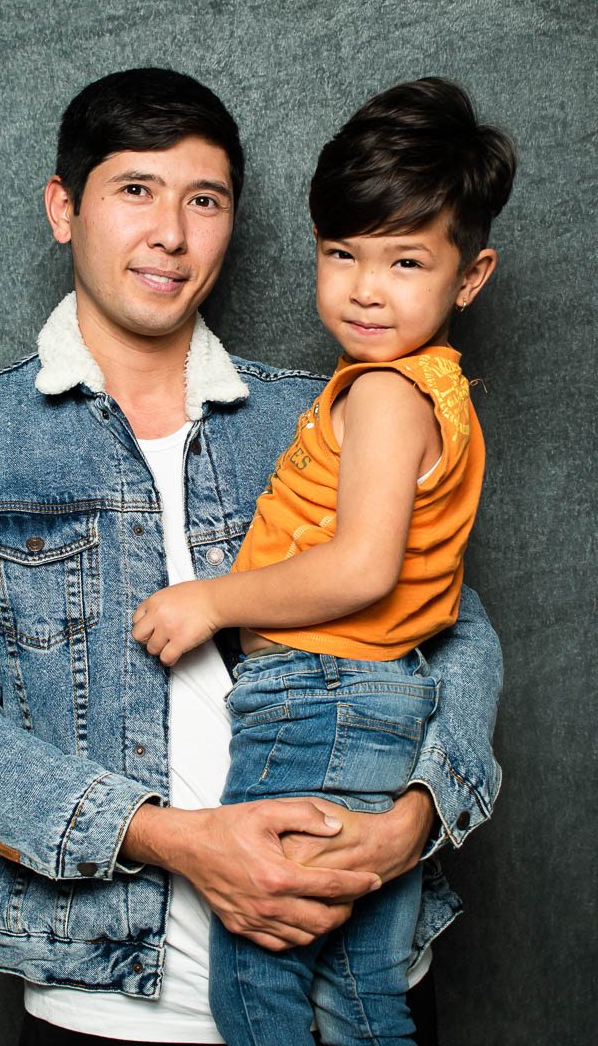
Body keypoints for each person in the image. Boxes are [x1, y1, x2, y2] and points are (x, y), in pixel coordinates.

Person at [0, 68, 504, 1046]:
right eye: (135, 190)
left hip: (358, 965)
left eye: (202, 200)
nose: (170, 232)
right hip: (114, 1001)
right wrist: (175, 841)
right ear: (62, 208)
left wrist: (410, 823)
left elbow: (454, 631)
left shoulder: (332, 408)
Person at [131, 78, 515, 1046]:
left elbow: (359, 570)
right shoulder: (434, 389)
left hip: (319, 703)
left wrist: (208, 600)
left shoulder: (385, 394)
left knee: (256, 982)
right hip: (373, 702)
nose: (363, 288)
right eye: (340, 253)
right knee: (354, 984)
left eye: (404, 261)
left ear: (468, 279)